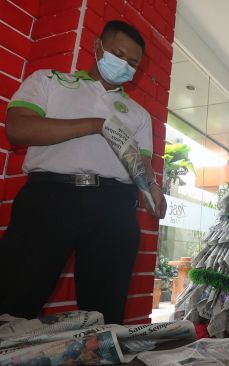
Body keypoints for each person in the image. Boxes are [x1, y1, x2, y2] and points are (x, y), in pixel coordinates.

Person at [0, 20, 166, 325]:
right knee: (14, 301)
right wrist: (95, 124)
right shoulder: (49, 81)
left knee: (105, 314)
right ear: (97, 47)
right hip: (48, 199)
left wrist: (153, 186)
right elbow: (18, 128)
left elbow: (142, 165)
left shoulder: (139, 115)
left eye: (132, 63)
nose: (125, 66)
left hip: (113, 206)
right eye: (118, 54)